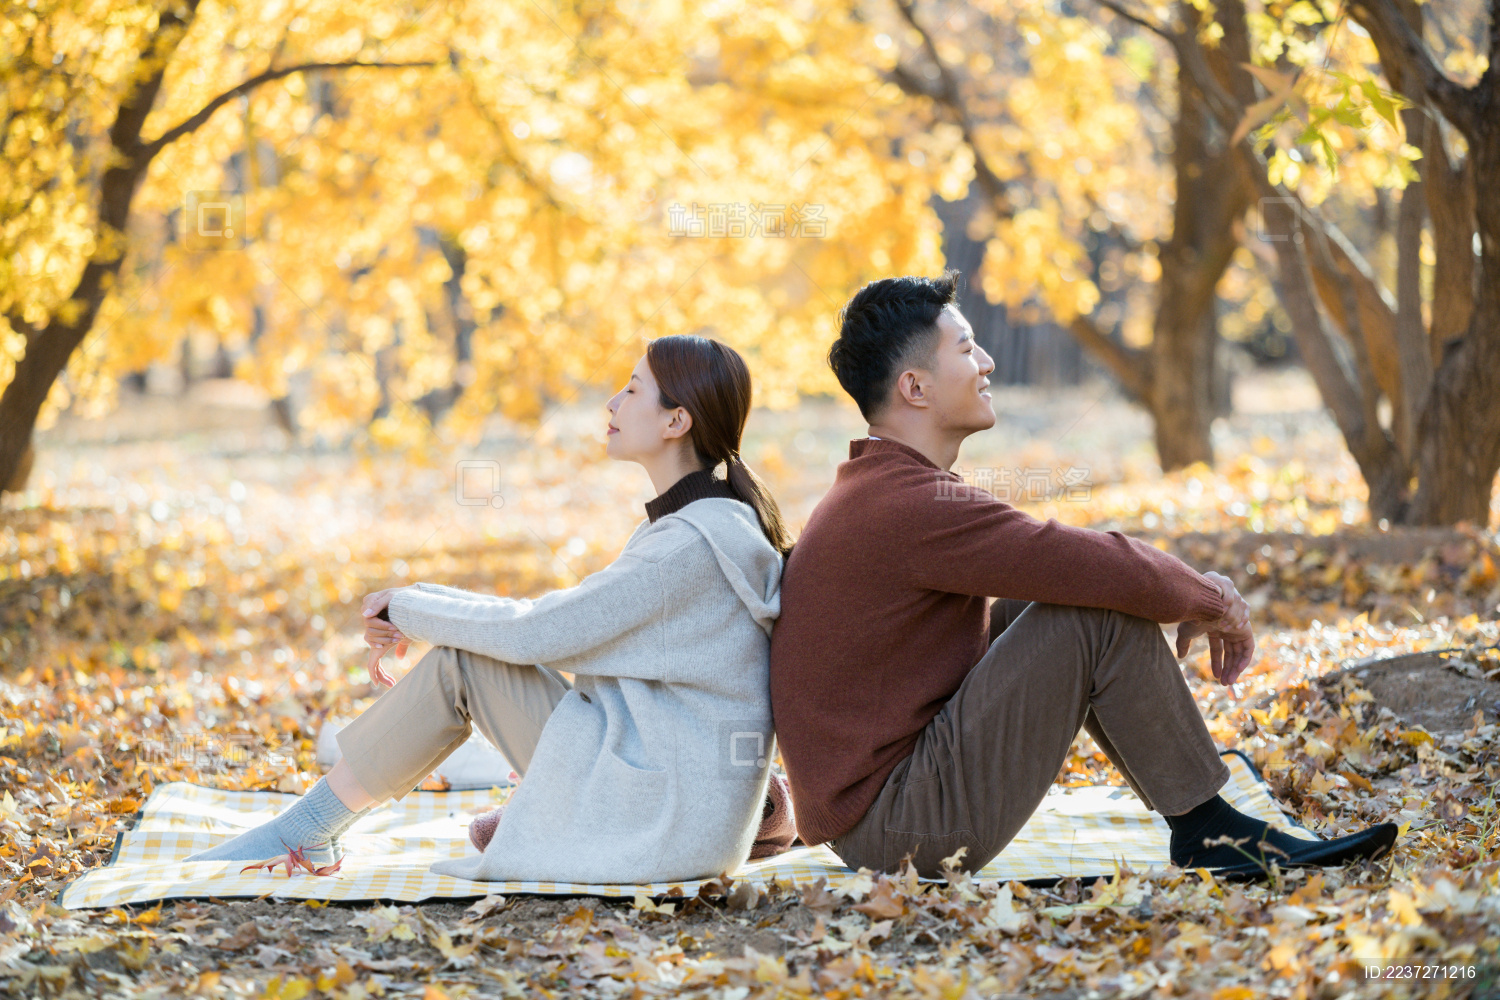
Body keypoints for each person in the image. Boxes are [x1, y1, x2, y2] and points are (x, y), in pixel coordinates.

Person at [769, 271, 1398, 880]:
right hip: (901, 831)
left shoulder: (879, 489)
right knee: (1091, 607)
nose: (987, 362)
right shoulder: (906, 505)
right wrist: (1210, 598)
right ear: (915, 388)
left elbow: (1055, 567)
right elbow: (1083, 560)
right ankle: (1211, 830)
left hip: (884, 813)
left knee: (1045, 598)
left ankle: (1205, 823)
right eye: (965, 349)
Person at [187, 335, 793, 884]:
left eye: (632, 390)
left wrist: (411, 609)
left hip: (661, 817)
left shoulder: (687, 546)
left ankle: (306, 831)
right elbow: (555, 620)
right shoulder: (706, 524)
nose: (611, 403)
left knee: (463, 665)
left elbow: (541, 633)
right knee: (471, 656)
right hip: (668, 795)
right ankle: (313, 827)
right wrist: (416, 602)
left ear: (676, 421)